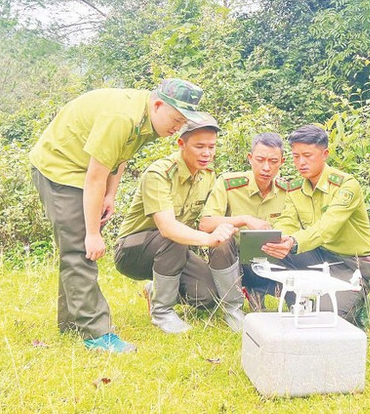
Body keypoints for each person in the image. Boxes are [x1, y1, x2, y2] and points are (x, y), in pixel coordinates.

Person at [30, 78, 206, 353]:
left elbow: (121, 156)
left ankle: (73, 322)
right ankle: (96, 333)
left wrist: (110, 195)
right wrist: (92, 233)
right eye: (176, 119)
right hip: (60, 167)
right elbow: (94, 177)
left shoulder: (148, 120)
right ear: (158, 105)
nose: (177, 127)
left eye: (183, 122)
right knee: (81, 248)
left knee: (76, 248)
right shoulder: (122, 118)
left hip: (86, 169)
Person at [113, 114, 237, 334]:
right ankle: (162, 312)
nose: (207, 153)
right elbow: (168, 228)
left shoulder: (207, 175)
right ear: (181, 143)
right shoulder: (159, 174)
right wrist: (208, 239)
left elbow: (207, 221)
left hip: (174, 249)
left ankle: (156, 290)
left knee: (208, 296)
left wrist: (234, 224)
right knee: (173, 237)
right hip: (132, 251)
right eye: (199, 146)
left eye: (212, 147)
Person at [262, 125, 370, 328]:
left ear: (325, 154)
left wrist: (293, 241)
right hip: (319, 257)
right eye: (296, 156)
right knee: (270, 252)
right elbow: (287, 220)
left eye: (307, 156)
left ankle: (357, 301)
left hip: (352, 265)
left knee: (324, 318)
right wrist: (280, 239)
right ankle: (297, 304)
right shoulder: (295, 188)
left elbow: (327, 228)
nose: (301, 162)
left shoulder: (346, 185)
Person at [198, 133, 289, 323]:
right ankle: (233, 311)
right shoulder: (229, 184)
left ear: (282, 161)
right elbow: (205, 223)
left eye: (273, 161)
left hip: (269, 259)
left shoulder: (288, 191)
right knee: (222, 240)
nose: (266, 167)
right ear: (250, 158)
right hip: (232, 260)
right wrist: (243, 219)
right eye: (260, 160)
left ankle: (283, 304)